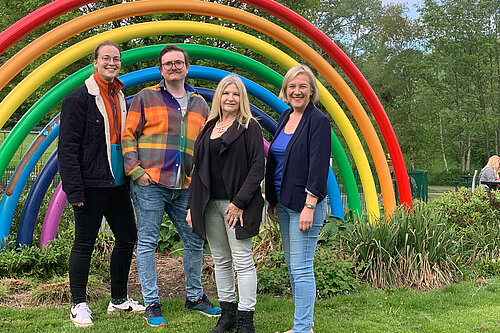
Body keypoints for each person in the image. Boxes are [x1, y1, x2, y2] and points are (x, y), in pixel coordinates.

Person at [122, 44, 221, 327]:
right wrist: (136, 171)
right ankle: (151, 303)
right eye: (168, 63)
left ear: (187, 68)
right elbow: (128, 135)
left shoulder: (200, 103)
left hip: (185, 184)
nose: (174, 67)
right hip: (150, 182)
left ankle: (194, 297)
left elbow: (204, 146)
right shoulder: (145, 97)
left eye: (179, 63)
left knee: (194, 238)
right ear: (161, 69)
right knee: (148, 242)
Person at [58, 41, 145, 327]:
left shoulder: (120, 95)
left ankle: (118, 299)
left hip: (117, 183)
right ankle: (78, 305)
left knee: (127, 236)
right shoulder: (78, 98)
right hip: (90, 184)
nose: (111, 62)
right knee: (84, 243)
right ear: (95, 62)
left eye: (116, 58)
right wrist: (74, 189)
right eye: (105, 58)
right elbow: (67, 148)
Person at [187, 75, 265, 333]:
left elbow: (257, 167)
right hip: (209, 204)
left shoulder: (249, 126)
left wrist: (240, 202)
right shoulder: (209, 127)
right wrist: (191, 206)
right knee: (220, 260)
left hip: (237, 205)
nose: (230, 98)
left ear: (241, 98)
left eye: (235, 94)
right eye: (225, 93)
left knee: (242, 259)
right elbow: (198, 171)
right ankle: (227, 315)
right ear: (218, 97)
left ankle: (246, 319)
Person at [265, 65, 331, 333]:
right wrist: (272, 200)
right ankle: (302, 325)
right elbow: (279, 160)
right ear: (285, 90)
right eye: (292, 86)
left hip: (305, 204)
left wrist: (310, 205)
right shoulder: (285, 116)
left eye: (302, 86)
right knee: (293, 266)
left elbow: (318, 166)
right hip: (284, 201)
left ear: (312, 90)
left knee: (302, 267)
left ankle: (303, 328)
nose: (297, 91)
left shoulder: (318, 121)